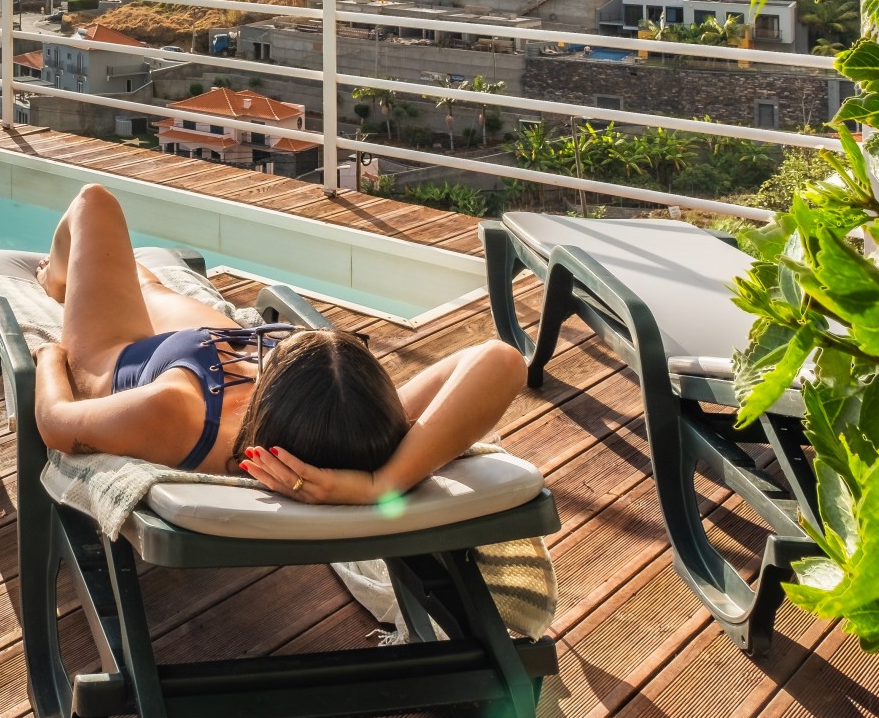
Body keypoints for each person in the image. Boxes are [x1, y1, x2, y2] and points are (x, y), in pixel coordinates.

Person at [29, 183, 525, 505]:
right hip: (216, 349)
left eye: (283, 351)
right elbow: (502, 359)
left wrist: (50, 355)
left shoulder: (168, 412)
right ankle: (113, 280)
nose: (279, 343)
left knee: (95, 204)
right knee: (148, 285)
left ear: (274, 387)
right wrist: (382, 484)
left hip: (128, 353)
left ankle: (57, 281)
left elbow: (55, 422)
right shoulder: (361, 432)